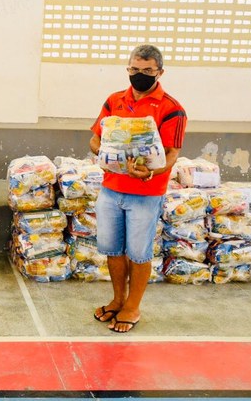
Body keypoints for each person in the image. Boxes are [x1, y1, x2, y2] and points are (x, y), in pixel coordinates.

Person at [88, 44, 187, 333]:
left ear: (160, 72)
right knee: (113, 249)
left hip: (146, 193)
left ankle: (133, 306)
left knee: (138, 253)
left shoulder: (172, 109)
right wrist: (102, 156)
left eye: (147, 71)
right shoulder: (114, 100)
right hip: (111, 189)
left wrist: (151, 171)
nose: (139, 75)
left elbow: (171, 153)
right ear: (128, 68)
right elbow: (95, 139)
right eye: (134, 70)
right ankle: (118, 300)